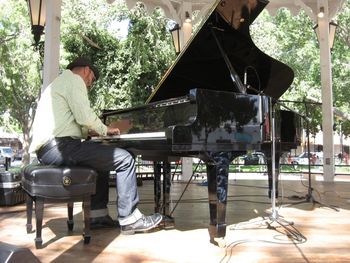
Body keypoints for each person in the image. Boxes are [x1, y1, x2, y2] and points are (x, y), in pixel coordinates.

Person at [29, 57, 162, 234]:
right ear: (86, 71)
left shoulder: (60, 83)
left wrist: (90, 132)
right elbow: (84, 116)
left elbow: (70, 123)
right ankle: (130, 219)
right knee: (125, 159)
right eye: (92, 79)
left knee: (101, 162)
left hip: (50, 150)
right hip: (61, 147)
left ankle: (97, 215)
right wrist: (105, 129)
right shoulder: (75, 80)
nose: (90, 85)